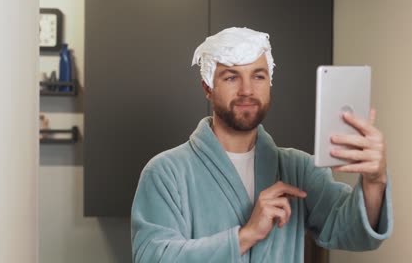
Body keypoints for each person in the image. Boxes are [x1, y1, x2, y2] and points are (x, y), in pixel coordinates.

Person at [131, 27, 393, 263]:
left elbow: (353, 232)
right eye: (231, 77)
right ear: (207, 88)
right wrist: (246, 235)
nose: (247, 90)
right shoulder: (166, 172)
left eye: (258, 76)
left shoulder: (299, 169)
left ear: (269, 83)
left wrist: (374, 181)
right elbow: (152, 257)